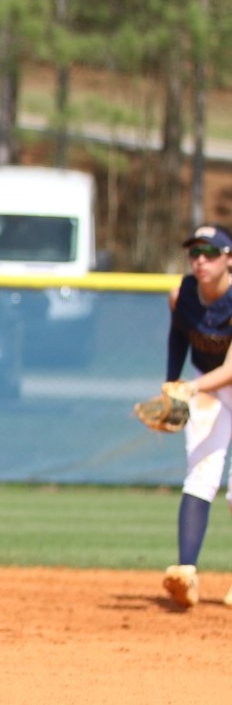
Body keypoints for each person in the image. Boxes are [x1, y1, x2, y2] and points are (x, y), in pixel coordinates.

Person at [160, 224, 232, 609]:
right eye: (194, 253)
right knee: (201, 471)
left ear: (229, 259)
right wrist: (171, 383)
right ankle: (185, 572)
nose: (201, 260)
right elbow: (178, 335)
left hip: (217, 379)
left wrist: (188, 388)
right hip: (207, 383)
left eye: (210, 252)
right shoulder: (184, 294)